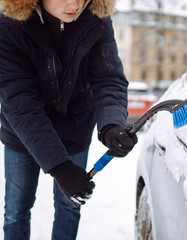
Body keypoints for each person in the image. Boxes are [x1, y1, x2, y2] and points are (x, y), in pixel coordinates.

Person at [0, 0, 137, 239]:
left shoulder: (97, 22)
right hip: (23, 134)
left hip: (75, 128)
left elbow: (108, 79)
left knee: (69, 208)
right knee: (16, 210)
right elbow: (19, 102)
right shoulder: (10, 26)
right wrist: (60, 167)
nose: (75, 3)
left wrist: (112, 125)